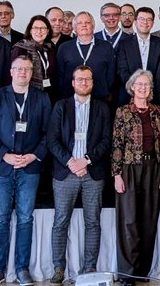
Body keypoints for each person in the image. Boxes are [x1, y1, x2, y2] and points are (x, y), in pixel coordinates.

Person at [0, 55, 51, 286]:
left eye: (27, 69)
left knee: (25, 219)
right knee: (1, 219)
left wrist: (33, 155)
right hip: (2, 166)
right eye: (18, 69)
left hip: (30, 166)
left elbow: (48, 133)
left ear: (32, 73)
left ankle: (22, 269)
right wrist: (4, 154)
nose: (22, 72)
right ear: (11, 71)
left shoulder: (41, 98)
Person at [47, 65, 113, 284]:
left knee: (92, 222)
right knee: (60, 221)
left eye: (88, 80)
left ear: (93, 83)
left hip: (92, 172)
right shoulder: (60, 106)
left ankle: (89, 268)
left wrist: (86, 160)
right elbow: (52, 139)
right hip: (65, 172)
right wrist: (70, 162)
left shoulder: (103, 108)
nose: (84, 83)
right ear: (73, 83)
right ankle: (58, 268)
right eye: (80, 79)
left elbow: (106, 140)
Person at [112, 70, 160, 286]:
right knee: (129, 221)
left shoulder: (158, 111)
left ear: (151, 89)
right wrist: (116, 174)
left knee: (148, 220)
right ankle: (127, 273)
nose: (143, 88)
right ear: (132, 87)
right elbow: (116, 145)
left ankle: (143, 270)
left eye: (147, 85)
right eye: (139, 84)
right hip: (129, 169)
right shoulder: (123, 112)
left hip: (153, 168)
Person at [55, 11, 116, 103]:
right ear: (74, 28)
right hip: (70, 98)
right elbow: (60, 74)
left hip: (100, 98)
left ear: (93, 26)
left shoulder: (106, 47)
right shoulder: (64, 47)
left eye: (87, 22)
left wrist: (105, 90)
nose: (84, 25)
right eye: (80, 23)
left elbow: (111, 73)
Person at [115, 6, 160, 104]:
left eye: (149, 20)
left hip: (155, 96)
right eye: (142, 19)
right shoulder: (124, 44)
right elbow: (122, 70)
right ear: (135, 22)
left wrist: (148, 87)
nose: (145, 22)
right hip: (129, 95)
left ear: (152, 23)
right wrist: (136, 87)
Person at [10, 15, 56, 96]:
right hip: (27, 94)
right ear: (30, 30)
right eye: (35, 28)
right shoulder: (21, 48)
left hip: (48, 93)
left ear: (48, 31)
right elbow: (14, 74)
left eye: (43, 28)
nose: (39, 31)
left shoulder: (50, 48)